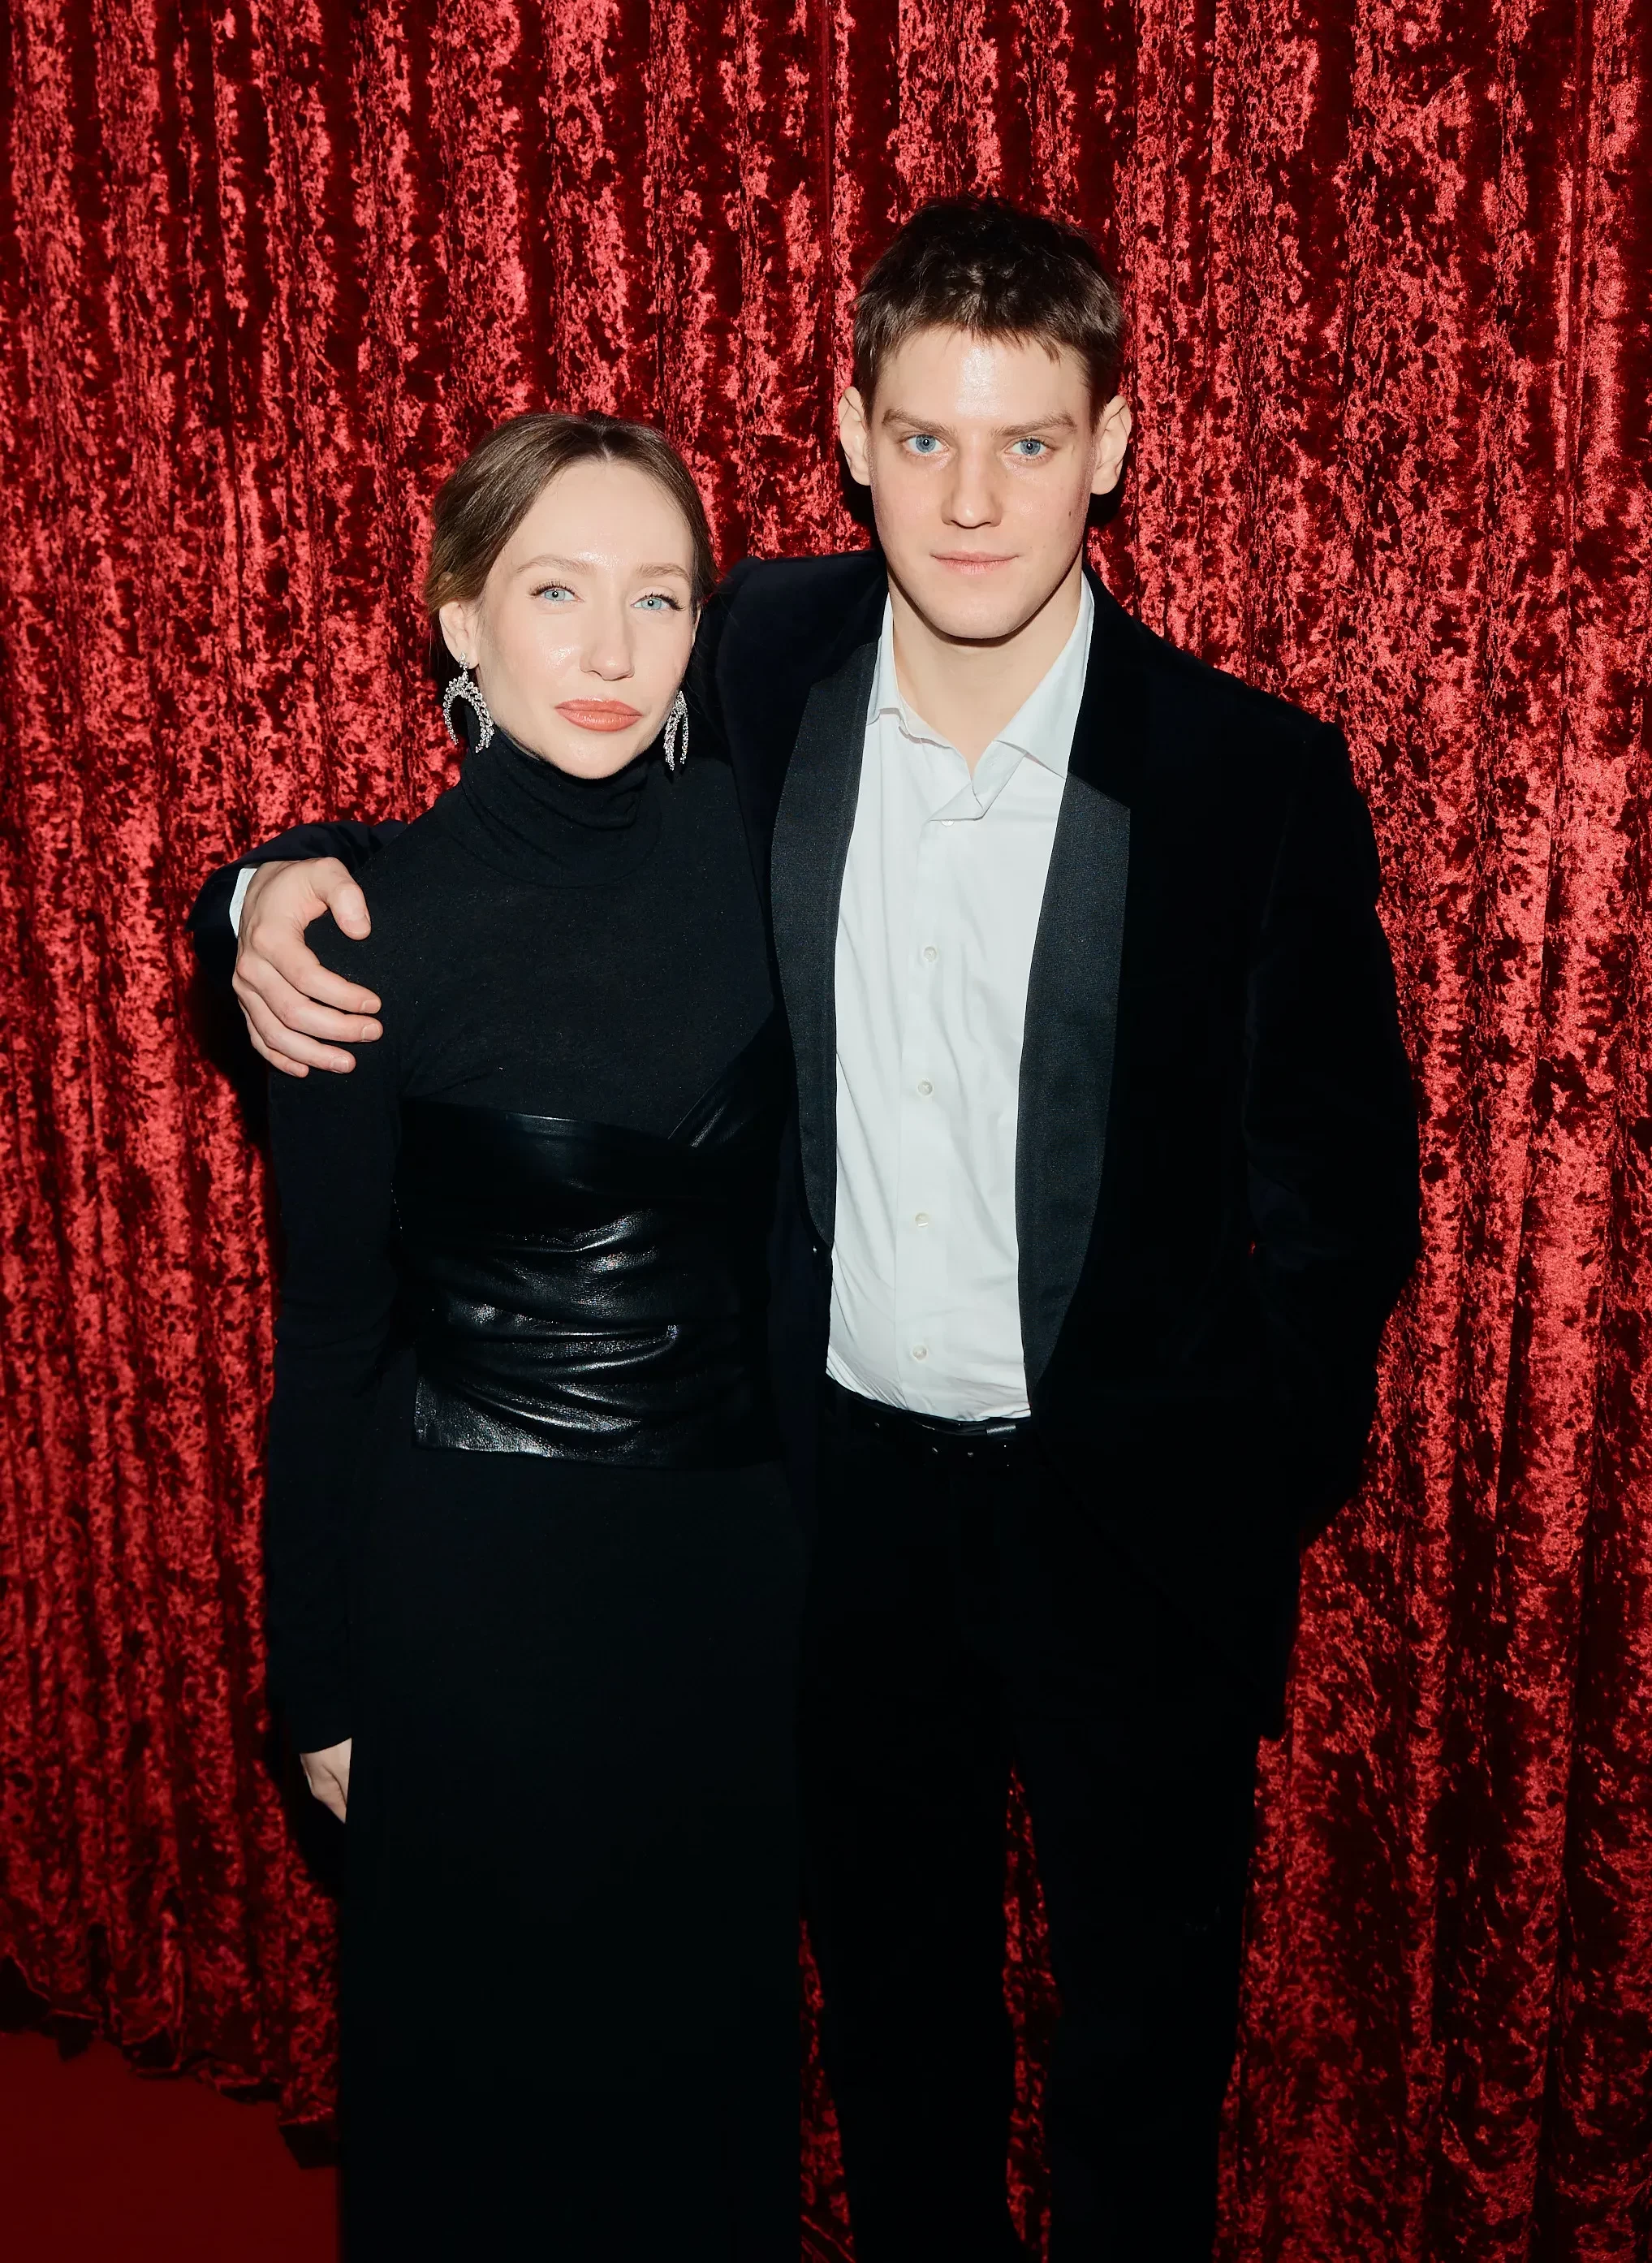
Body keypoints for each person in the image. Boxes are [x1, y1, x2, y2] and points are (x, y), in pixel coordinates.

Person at [196, 199, 1420, 2261]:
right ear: (852, 438)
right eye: (924, 438)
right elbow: (517, 813)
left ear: (1115, 447)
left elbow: (1345, 1193)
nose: (973, 500)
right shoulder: (762, 662)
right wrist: (253, 892)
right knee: (895, 2055)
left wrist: (1240, 1473)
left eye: (1029, 441)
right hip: (836, 1530)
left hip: (1133, 1532)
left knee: (1142, 2075)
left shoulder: (1253, 776)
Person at [209, 409, 805, 2260]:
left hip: (731, 1595)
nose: (612, 647)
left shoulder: (780, 858)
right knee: (484, 2123)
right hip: (468, 1609)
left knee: (700, 2105)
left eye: (659, 596)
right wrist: (317, 1682)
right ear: (460, 617)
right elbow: (328, 1336)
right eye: (556, 593)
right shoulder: (357, 933)